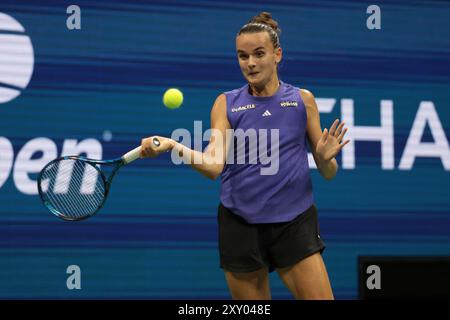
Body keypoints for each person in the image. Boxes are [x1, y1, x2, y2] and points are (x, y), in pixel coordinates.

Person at [140, 12, 349, 300]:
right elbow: (214, 166)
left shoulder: (302, 100)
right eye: (242, 56)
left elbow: (329, 172)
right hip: (240, 224)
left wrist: (325, 159)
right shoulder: (226, 103)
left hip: (294, 221)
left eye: (259, 54)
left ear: (277, 55)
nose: (250, 63)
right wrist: (173, 145)